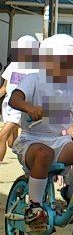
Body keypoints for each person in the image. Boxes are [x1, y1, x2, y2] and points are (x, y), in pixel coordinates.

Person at [8, 34, 73, 233]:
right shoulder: (34, 79)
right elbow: (14, 99)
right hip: (31, 139)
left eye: (72, 60)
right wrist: (30, 108)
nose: (70, 65)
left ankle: (71, 193)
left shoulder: (71, 84)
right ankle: (34, 207)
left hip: (59, 140)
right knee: (45, 153)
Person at [0, 35, 40, 163]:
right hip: (8, 107)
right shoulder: (13, 65)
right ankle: (29, 156)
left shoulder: (36, 68)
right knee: (12, 143)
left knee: (1, 136)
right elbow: (4, 88)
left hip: (21, 108)